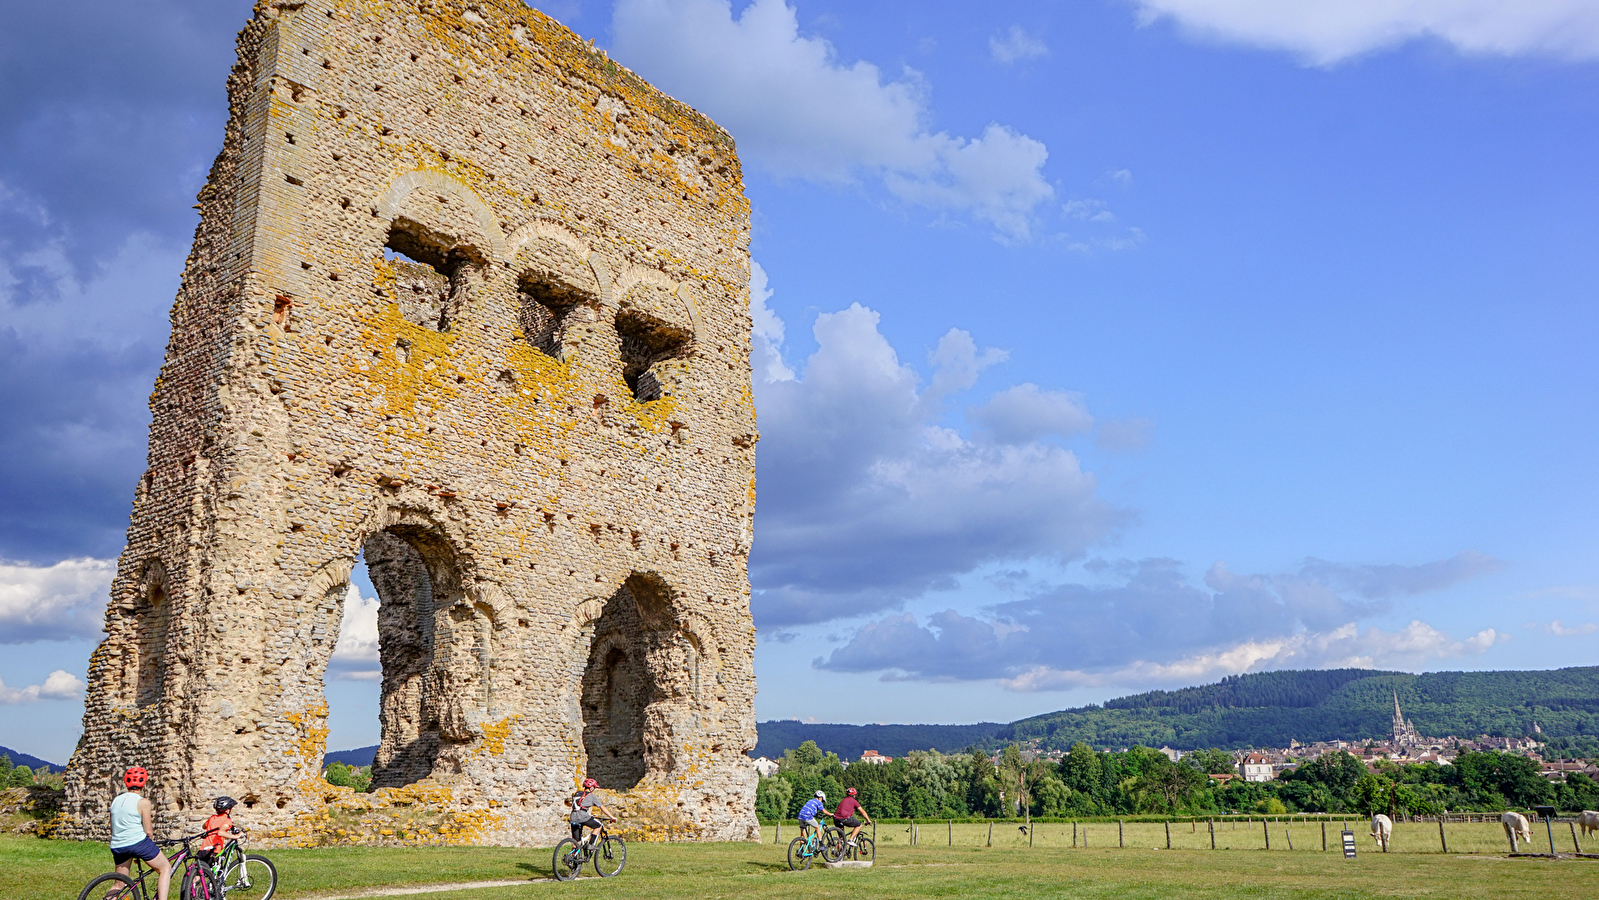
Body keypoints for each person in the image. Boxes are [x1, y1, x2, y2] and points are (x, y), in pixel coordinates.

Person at [109, 766, 171, 900]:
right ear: (143, 784)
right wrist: (148, 845)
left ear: (126, 783)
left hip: (117, 844)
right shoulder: (143, 802)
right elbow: (148, 830)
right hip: (138, 843)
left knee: (119, 883)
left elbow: (112, 827)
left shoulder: (116, 801)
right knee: (165, 868)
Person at [568, 778, 616, 845]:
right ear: (591, 787)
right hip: (583, 816)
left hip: (573, 817)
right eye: (594, 787)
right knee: (599, 826)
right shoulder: (591, 796)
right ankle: (591, 845)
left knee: (576, 842)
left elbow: (573, 804)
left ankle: (573, 855)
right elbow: (602, 807)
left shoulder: (577, 793)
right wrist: (612, 817)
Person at [198, 796, 243, 864]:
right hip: (214, 850)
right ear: (227, 810)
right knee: (214, 872)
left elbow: (204, 826)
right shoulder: (227, 821)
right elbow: (221, 832)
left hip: (203, 849)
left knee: (199, 871)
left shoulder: (212, 818)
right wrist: (237, 836)